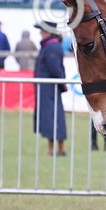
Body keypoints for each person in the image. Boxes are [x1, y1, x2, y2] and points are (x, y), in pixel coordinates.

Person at [33, 22, 67, 156]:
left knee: (53, 118)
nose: (40, 33)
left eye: (42, 31)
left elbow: (55, 69)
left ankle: (58, 148)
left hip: (50, 89)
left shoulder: (52, 46)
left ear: (48, 32)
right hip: (47, 89)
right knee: (51, 118)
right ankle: (54, 147)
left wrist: (61, 83)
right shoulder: (49, 46)